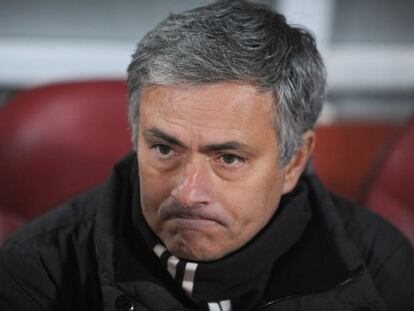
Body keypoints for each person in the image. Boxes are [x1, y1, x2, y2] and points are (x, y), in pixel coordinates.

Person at [0, 0, 413, 310]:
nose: (187, 192)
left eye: (228, 158)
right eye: (164, 149)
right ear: (135, 138)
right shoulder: (40, 269)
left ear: (294, 161)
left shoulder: (380, 262)